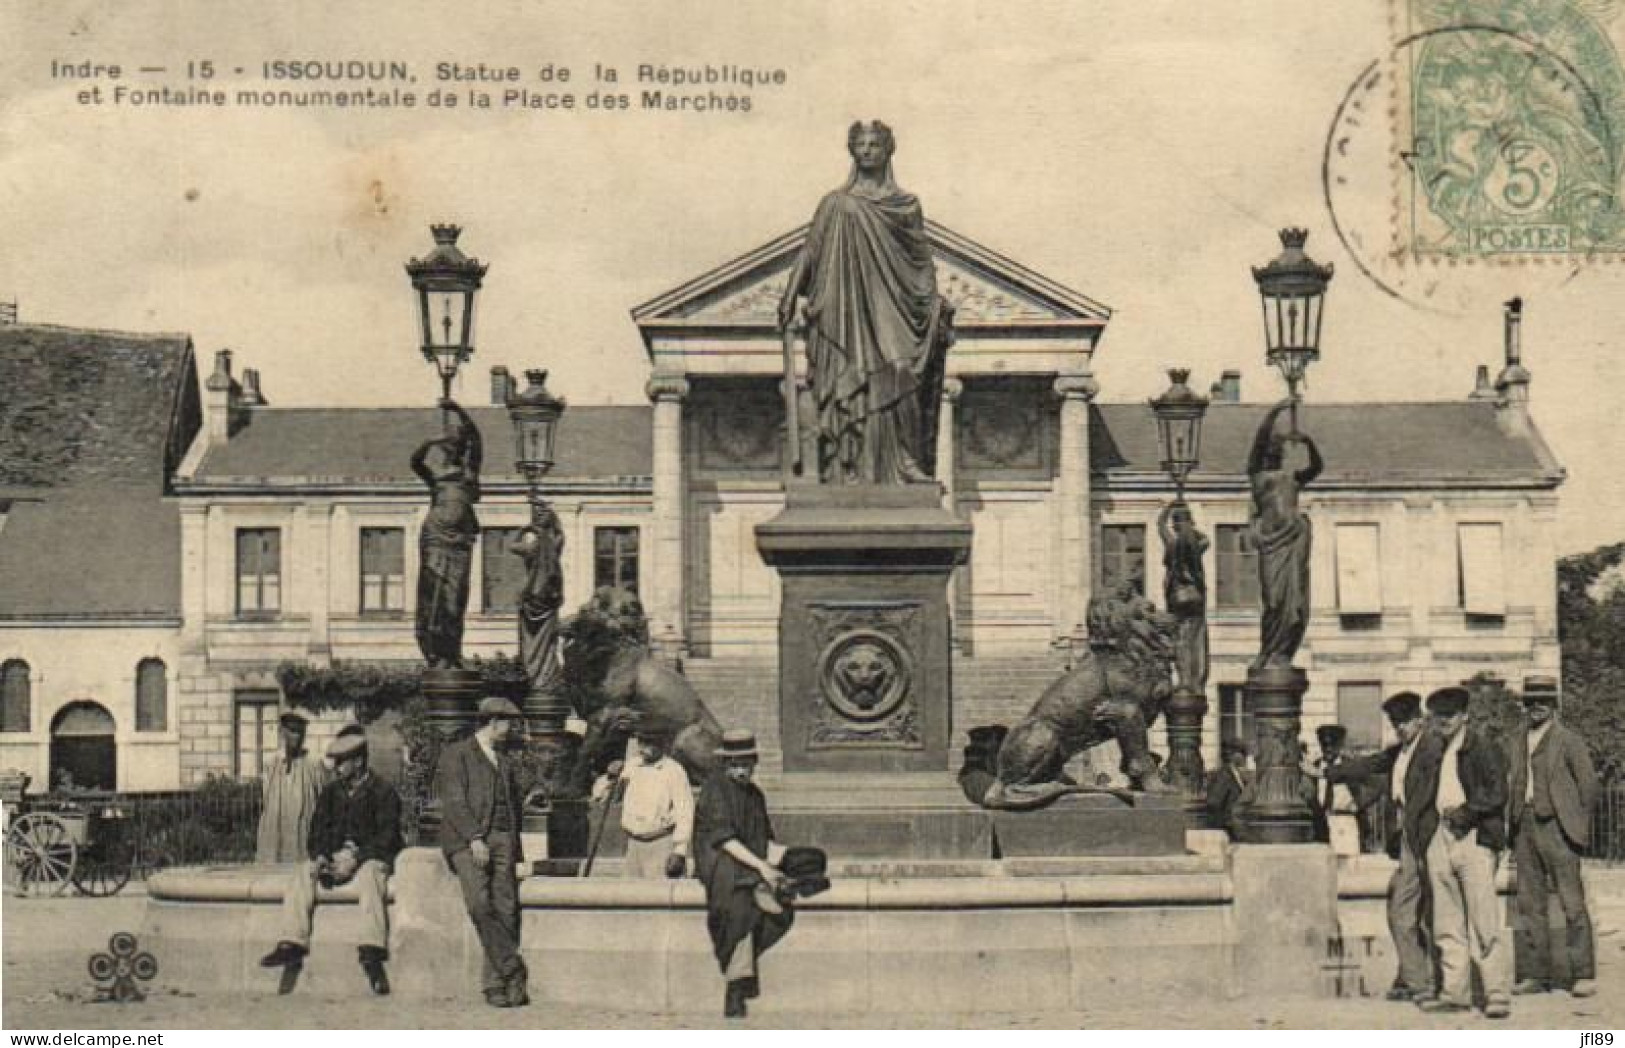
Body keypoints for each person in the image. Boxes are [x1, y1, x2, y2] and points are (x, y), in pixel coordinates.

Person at [777, 120, 954, 485]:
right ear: (853, 151)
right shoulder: (835, 204)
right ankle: (846, 468)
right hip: (844, 310)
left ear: (888, 150)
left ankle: (905, 462)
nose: (868, 150)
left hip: (892, 307)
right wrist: (790, 294)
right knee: (850, 381)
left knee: (901, 371)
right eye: (861, 144)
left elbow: (920, 260)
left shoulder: (906, 205)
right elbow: (810, 250)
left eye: (875, 144)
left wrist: (932, 304)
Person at [696, 730, 827, 1019]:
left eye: (746, 764)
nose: (741, 770)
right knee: (740, 904)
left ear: (754, 763)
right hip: (723, 858)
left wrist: (787, 858)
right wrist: (763, 868)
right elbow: (724, 839)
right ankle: (736, 984)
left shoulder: (754, 794)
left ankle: (783, 884)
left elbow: (763, 840)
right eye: (735, 764)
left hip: (753, 856)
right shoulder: (715, 789)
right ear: (725, 764)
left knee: (813, 859)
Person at [259, 733, 402, 996]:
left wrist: (356, 858)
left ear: (358, 762)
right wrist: (323, 855)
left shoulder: (383, 792)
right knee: (304, 873)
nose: (335, 768)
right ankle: (292, 943)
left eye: (341, 762)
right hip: (335, 857)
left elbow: (388, 837)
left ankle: (372, 954)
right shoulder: (330, 792)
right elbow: (316, 832)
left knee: (371, 879)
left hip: (369, 858)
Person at [1408, 686, 1511, 1018]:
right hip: (1440, 834)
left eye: (1449, 715)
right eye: (1437, 716)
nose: (1443, 721)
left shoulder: (1482, 746)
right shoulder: (1435, 750)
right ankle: (1455, 994)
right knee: (1446, 920)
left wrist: (1466, 813)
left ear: (1465, 715)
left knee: (1483, 918)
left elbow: (1498, 792)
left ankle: (1496, 994)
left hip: (1474, 836)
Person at [1327, 691, 1434, 1001]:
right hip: (1410, 841)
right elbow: (1366, 766)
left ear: (1420, 719)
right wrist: (1325, 772)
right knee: (1407, 911)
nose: (1400, 728)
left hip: (1429, 838)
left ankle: (1418, 981)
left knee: (1409, 911)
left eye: (1406, 722)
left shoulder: (1433, 749)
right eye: (1395, 723)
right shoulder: (1398, 752)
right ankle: (1415, 977)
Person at [1507, 675, 1599, 998]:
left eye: (1543, 700)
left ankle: (1583, 974)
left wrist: (1575, 825)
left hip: (1559, 829)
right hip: (1524, 826)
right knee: (1530, 905)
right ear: (1524, 705)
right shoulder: (1516, 739)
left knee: (1572, 903)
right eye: (1531, 700)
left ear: (1554, 704)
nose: (1536, 706)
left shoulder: (1568, 740)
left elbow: (1588, 787)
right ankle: (1536, 976)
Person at [437, 697, 529, 1008]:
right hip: (468, 841)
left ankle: (495, 984)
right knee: (478, 903)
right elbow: (454, 802)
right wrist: (475, 838)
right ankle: (511, 966)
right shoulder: (457, 755)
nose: (510, 729)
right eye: (507, 723)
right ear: (492, 722)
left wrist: (518, 853)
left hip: (503, 839)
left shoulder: (504, 760)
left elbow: (513, 806)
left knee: (506, 907)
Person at [1246, 398, 1322, 671]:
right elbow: (1257, 443)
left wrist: (1308, 442)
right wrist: (1275, 410)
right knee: (1274, 600)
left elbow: (1317, 468)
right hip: (1271, 543)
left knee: (1296, 605)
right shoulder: (1256, 475)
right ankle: (1268, 650)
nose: (1275, 452)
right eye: (1272, 448)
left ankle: (1282, 654)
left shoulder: (1292, 478)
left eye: (1279, 448)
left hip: (1294, 539)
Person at [410, 398, 482, 668]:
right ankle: (437, 654)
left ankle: (453, 653)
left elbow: (476, 436)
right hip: (435, 537)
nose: (454, 448)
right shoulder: (437, 475)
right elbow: (415, 463)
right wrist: (430, 441)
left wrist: (457, 409)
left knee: (456, 597)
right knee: (434, 596)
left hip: (460, 542)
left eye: (457, 444)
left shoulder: (469, 472)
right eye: (449, 444)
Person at [592, 724, 695, 879]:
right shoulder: (632, 766)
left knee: (659, 896)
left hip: (660, 843)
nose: (643, 748)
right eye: (641, 742)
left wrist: (679, 851)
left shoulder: (673, 771)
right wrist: (609, 776)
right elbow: (599, 795)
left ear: (662, 745)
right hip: (633, 845)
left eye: (649, 743)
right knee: (632, 897)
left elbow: (685, 811)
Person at [255, 711, 330, 864]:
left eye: (300, 732)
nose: (297, 737)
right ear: (283, 733)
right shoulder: (272, 765)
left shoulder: (313, 765)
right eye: (293, 731)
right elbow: (266, 797)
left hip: (302, 829)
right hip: (276, 828)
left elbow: (323, 799)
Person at [1158, 501, 1210, 694]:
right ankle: (1195, 680)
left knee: (1180, 639)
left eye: (1175, 523)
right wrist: (1190, 526)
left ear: (1175, 525)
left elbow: (1160, 525)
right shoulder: (1195, 544)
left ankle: (1185, 680)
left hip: (1176, 597)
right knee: (1195, 638)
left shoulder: (1172, 543)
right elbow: (1206, 540)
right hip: (1195, 596)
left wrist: (1169, 508)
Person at [514, 506, 566, 697]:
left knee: (537, 642)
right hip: (546, 596)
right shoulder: (552, 542)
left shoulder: (536, 543)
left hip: (534, 596)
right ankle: (544, 680)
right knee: (546, 642)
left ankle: (538, 679)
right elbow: (560, 536)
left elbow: (513, 546)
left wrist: (525, 530)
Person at [1306, 724, 1361, 855]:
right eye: (1325, 746)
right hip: (1321, 822)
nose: (1328, 750)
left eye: (1332, 746)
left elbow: (1367, 789)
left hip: (1344, 820)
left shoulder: (1349, 767)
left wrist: (1359, 804)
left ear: (1340, 746)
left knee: (1346, 863)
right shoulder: (1315, 767)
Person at [1205, 738, 1253, 840]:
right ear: (1233, 755)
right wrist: (1226, 822)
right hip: (1227, 829)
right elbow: (1214, 801)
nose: (1245, 758)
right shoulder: (1224, 775)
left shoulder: (1235, 773)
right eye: (1243, 754)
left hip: (1234, 827)